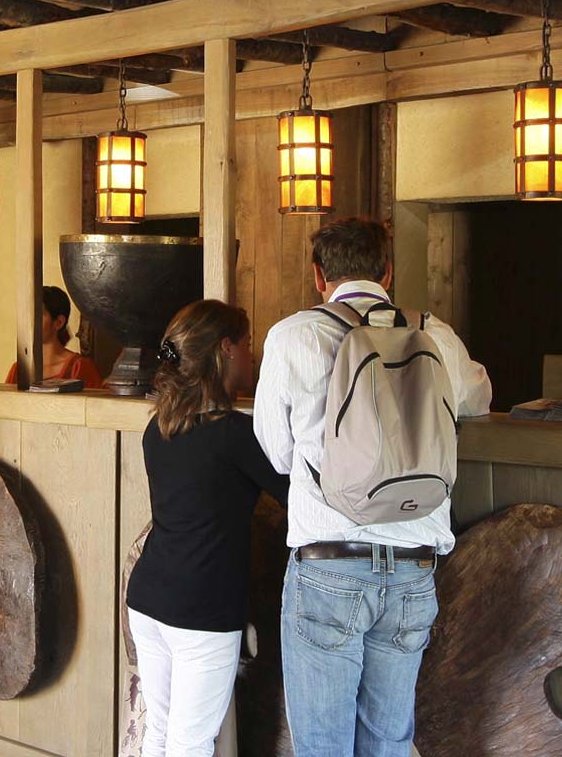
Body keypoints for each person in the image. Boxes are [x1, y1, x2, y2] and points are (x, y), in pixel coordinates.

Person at [253, 218, 492, 757]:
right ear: (387, 271)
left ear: (319, 275)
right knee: (391, 742)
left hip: (329, 562)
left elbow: (277, 452)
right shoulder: (435, 333)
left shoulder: (293, 336)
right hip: (414, 567)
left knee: (323, 748)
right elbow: (480, 397)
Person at [126, 299, 287, 757]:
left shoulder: (157, 430)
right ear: (224, 350)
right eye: (248, 345)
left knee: (159, 733)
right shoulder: (236, 434)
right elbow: (298, 494)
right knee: (191, 743)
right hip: (202, 611)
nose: (252, 356)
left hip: (149, 599)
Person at [5, 285, 105, 388]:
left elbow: (94, 403)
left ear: (59, 322)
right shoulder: (19, 370)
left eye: (38, 314)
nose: (29, 321)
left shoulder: (80, 367)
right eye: (27, 314)